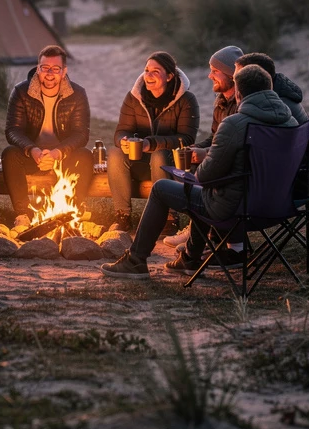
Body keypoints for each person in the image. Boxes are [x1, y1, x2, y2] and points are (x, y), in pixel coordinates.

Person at [101, 63, 297, 279]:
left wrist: (197, 165)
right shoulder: (291, 122)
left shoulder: (235, 124)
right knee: (206, 192)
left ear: (238, 92)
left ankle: (135, 261)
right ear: (269, 88)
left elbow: (205, 176)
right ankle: (190, 258)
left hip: (233, 210)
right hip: (276, 208)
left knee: (163, 188)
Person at [161, 43, 241, 249]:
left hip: (232, 172)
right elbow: (216, 137)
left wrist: (204, 153)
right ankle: (198, 231)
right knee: (189, 165)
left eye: (215, 71)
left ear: (232, 75)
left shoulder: (241, 106)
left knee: (201, 171)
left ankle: (200, 237)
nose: (209, 76)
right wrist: (196, 148)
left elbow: (231, 146)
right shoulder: (221, 100)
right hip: (221, 160)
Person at [108, 51, 198, 232]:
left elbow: (187, 138)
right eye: (146, 70)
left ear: (169, 76)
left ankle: (168, 217)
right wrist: (123, 140)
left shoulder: (186, 100)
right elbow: (121, 130)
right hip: (140, 162)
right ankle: (123, 217)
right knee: (115, 153)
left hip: (171, 164)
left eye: (155, 71)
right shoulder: (134, 97)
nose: (148, 75)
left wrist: (152, 143)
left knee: (158, 155)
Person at [1, 45, 92, 226]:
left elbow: (81, 134)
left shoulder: (77, 94)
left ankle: (75, 210)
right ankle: (23, 215)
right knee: (9, 154)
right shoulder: (22, 91)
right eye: (45, 68)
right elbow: (13, 130)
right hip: (32, 155)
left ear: (64, 71)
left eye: (56, 69)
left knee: (85, 156)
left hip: (62, 156)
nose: (49, 73)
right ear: (38, 68)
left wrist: (58, 152)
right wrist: (32, 150)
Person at [234, 52, 309, 198]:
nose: (236, 82)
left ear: (256, 75)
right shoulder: (277, 96)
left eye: (239, 76)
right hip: (303, 174)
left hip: (298, 181)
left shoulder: (276, 108)